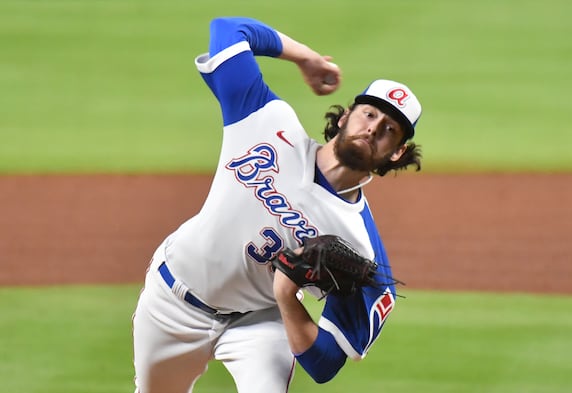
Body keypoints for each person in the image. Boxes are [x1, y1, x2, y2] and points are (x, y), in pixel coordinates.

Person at [132, 16, 422, 393]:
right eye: (370, 114)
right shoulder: (267, 121)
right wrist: (306, 58)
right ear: (347, 115)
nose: (373, 128)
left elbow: (325, 363)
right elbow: (227, 30)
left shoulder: (361, 244)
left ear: (397, 152)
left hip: (259, 321)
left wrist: (286, 295)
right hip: (172, 299)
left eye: (389, 130)